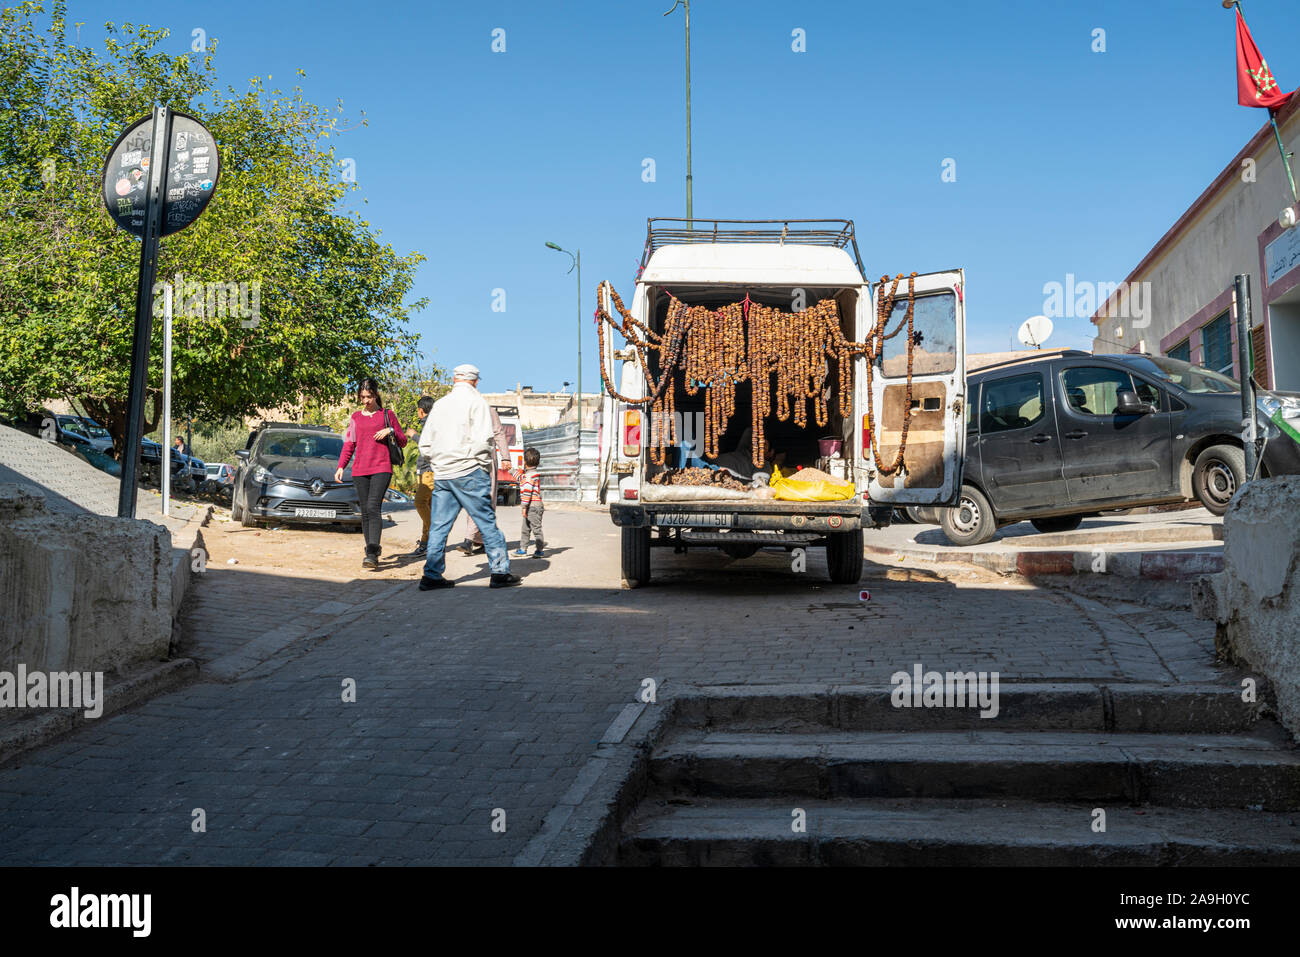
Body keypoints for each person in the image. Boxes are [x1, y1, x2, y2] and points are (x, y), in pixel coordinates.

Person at [417, 364, 520, 590]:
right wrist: (482, 466)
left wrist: (439, 462)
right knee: (486, 522)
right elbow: (484, 441)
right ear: (475, 381)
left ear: (454, 379)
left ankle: (431, 575)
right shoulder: (478, 403)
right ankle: (500, 572)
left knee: (439, 526)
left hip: (443, 474)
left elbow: (425, 444)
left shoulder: (441, 404)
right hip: (470, 471)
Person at [335, 377, 406, 569]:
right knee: (365, 511)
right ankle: (370, 550)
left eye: (369, 396)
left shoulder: (387, 414)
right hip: (360, 469)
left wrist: (390, 430)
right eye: (362, 397)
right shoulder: (356, 417)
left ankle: (373, 553)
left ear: (376, 395)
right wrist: (341, 466)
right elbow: (349, 443)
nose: (366, 401)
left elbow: (403, 440)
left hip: (381, 467)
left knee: (374, 507)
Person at [457, 401, 510, 555]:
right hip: (468, 462)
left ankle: (468, 540)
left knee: (485, 499)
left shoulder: (488, 410)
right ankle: (482, 540)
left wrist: (506, 457)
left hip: (486, 462)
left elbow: (499, 433)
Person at [406, 395, 435, 556]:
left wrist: (413, 435)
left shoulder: (428, 424)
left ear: (420, 411)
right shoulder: (433, 423)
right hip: (427, 471)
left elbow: (427, 444)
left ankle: (436, 536)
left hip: (429, 471)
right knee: (427, 506)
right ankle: (425, 543)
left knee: (420, 503)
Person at [512, 447, 544, 558]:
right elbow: (520, 478)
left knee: (536, 529)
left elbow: (527, 493)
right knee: (525, 529)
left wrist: (524, 507)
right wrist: (511, 470)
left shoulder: (529, 476)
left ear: (525, 462)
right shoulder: (530, 475)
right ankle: (522, 549)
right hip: (534, 506)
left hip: (532, 506)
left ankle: (539, 550)